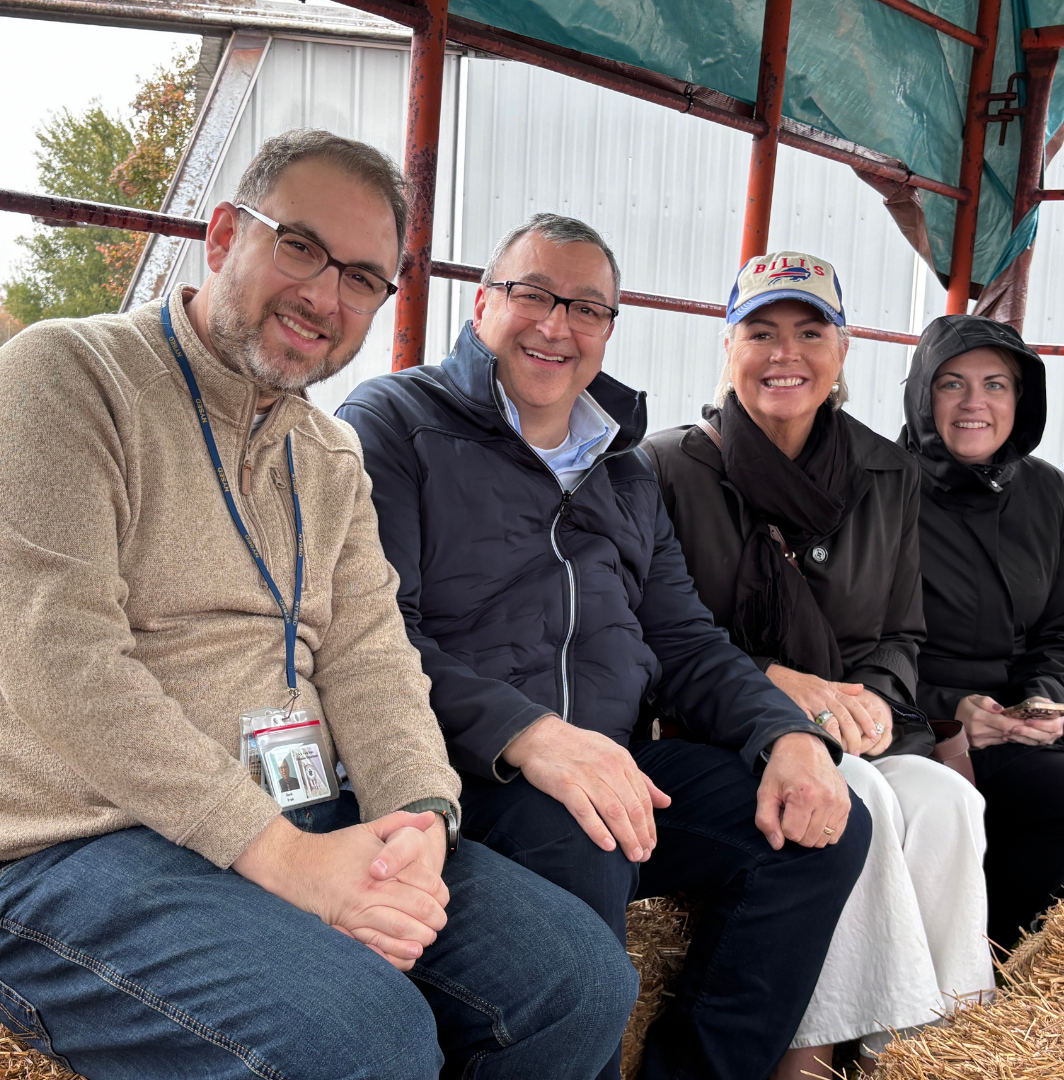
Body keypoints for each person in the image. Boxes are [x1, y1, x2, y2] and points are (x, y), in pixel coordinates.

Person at [0, 132, 638, 1080]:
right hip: (76, 839)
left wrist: (422, 825)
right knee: (362, 1039)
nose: (326, 297)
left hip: (295, 810)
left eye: (365, 278)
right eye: (300, 246)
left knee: (579, 979)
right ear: (221, 237)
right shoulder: (64, 379)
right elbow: (62, 666)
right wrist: (289, 863)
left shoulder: (326, 456)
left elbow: (374, 660)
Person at [338, 215, 872, 1080]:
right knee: (584, 830)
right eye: (534, 296)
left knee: (822, 830)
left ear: (610, 330)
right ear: (481, 306)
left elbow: (685, 642)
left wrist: (790, 739)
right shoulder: (397, 422)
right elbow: (373, 636)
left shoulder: (625, 469)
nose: (557, 326)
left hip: (609, 767)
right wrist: (530, 736)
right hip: (462, 771)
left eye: (587, 308)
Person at [643, 252, 994, 1077]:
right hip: (724, 732)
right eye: (760, 332)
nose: (784, 354)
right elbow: (657, 638)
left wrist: (869, 701)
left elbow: (902, 631)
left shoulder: (888, 472)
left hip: (853, 725)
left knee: (948, 801)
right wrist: (774, 684)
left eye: (810, 332)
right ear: (726, 347)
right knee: (853, 798)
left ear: (843, 353)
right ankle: (813, 1054)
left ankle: (917, 1048)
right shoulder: (665, 468)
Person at [900, 313, 1064, 951]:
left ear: (1020, 400)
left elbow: (1058, 628)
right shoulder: (882, 487)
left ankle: (1009, 982)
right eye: (952, 384)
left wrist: (1045, 696)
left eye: (996, 384)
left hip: (1019, 725)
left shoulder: (1046, 491)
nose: (975, 403)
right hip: (917, 723)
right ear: (921, 394)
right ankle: (979, 985)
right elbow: (853, 642)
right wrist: (950, 712)